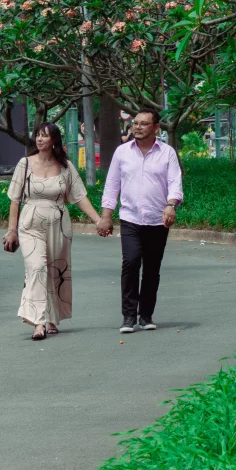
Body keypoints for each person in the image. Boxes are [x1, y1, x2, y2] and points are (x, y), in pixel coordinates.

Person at [3, 121, 101, 341]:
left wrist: (97, 220)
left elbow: (79, 197)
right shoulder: (24, 164)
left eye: (45, 136)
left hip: (59, 225)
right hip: (30, 224)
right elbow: (14, 200)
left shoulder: (65, 166)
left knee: (56, 271)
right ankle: (38, 323)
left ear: (54, 140)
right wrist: (12, 231)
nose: (40, 139)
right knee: (37, 268)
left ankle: (52, 317)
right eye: (37, 135)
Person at [97, 108, 183, 333]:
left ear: (156, 128)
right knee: (131, 262)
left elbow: (175, 182)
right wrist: (106, 216)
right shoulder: (122, 152)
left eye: (144, 124)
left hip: (158, 220)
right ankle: (128, 316)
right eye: (135, 123)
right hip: (130, 218)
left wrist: (171, 205)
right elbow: (112, 185)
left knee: (152, 268)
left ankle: (145, 315)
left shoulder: (167, 153)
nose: (137, 127)